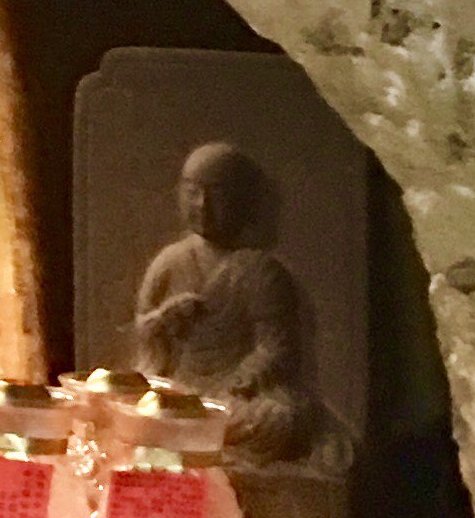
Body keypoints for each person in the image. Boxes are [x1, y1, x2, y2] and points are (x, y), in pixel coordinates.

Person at [131, 140, 329, 465]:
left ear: (243, 202)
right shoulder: (170, 262)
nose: (203, 206)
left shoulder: (260, 270)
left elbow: (275, 347)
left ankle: (194, 443)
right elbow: (143, 332)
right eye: (193, 193)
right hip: (178, 387)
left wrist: (242, 380)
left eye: (218, 194)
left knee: (281, 417)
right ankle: (188, 437)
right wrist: (165, 317)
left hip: (236, 393)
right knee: (138, 408)